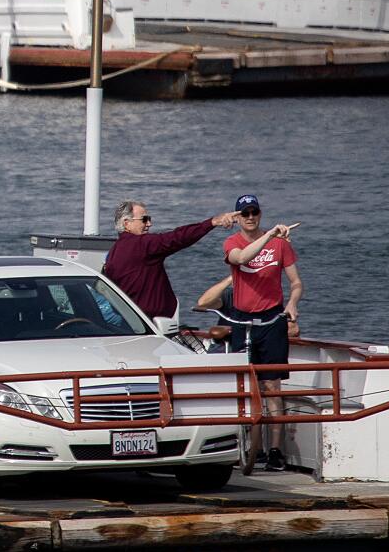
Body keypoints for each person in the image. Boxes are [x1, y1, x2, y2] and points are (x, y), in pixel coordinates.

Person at [223, 193, 303, 472]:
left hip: (271, 320)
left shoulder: (281, 246)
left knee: (272, 387)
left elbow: (295, 283)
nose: (249, 217)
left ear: (260, 213)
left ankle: (275, 450)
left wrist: (292, 305)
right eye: (244, 213)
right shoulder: (232, 242)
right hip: (242, 321)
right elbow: (242, 257)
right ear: (237, 217)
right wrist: (269, 235)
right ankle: (243, 446)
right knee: (243, 388)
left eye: (254, 212)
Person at [102, 200, 244, 324]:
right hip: (149, 324)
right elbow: (177, 238)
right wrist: (212, 222)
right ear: (127, 223)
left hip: (129, 321)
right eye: (144, 219)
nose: (149, 224)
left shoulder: (114, 252)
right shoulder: (143, 245)